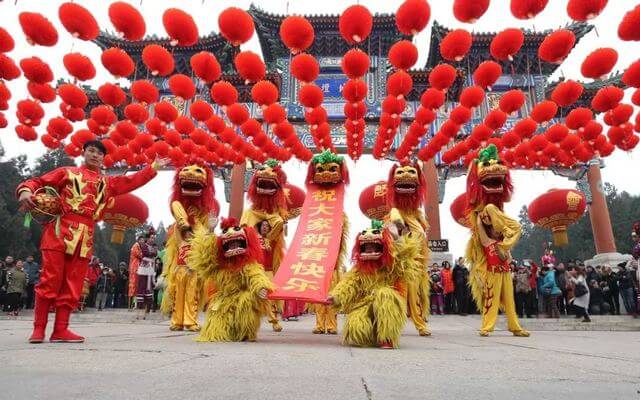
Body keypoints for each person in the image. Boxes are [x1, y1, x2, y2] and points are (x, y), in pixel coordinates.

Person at [17, 140, 164, 343]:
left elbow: (131, 181)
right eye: (91, 151)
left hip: (85, 236)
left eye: (99, 153)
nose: (95, 155)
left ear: (103, 158)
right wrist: (25, 190)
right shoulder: (66, 172)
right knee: (50, 280)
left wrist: (153, 167)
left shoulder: (107, 183)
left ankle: (61, 329)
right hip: (59, 231)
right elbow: (38, 181)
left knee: (73, 283)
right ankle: (38, 329)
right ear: (84, 153)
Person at [136, 230, 158, 320]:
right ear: (148, 238)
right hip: (144, 269)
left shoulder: (152, 247)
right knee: (142, 288)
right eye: (151, 237)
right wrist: (153, 253)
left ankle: (146, 312)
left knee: (148, 289)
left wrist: (153, 253)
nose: (152, 239)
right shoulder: (144, 246)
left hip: (150, 269)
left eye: (153, 238)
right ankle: (139, 313)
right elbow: (147, 254)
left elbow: (154, 254)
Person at [128, 236, 144, 310]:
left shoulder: (137, 246)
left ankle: (133, 305)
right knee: (133, 285)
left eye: (143, 240)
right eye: (141, 240)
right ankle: (130, 305)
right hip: (135, 267)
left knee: (135, 285)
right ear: (138, 240)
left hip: (135, 266)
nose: (142, 242)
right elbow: (139, 255)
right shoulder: (136, 246)